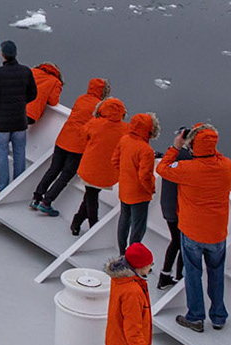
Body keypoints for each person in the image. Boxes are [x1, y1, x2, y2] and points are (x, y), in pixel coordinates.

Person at [158, 123, 231, 332]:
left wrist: (176, 147)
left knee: (193, 274)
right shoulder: (226, 165)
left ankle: (196, 317)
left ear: (192, 145)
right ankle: (218, 317)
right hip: (217, 233)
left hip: (192, 232)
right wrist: (205, 141)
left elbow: (162, 168)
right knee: (216, 274)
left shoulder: (186, 169)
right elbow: (212, 155)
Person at [34, 77, 106, 216]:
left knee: (53, 170)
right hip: (77, 146)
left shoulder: (81, 98)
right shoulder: (99, 107)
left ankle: (36, 197)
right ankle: (46, 202)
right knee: (65, 176)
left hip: (63, 139)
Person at [0, 40, 38, 192]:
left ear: (4, 56)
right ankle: (16, 188)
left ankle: (2, 187)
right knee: (20, 153)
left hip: (1, 122)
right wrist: (21, 103)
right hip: (20, 120)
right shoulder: (26, 71)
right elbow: (33, 94)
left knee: (2, 155)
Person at [71, 97, 126, 236]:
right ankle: (77, 222)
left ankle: (93, 226)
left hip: (90, 168)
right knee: (92, 194)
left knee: (91, 196)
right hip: (108, 171)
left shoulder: (95, 124)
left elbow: (82, 136)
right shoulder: (126, 129)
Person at [113, 113, 159, 254]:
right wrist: (151, 188)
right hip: (139, 194)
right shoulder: (146, 150)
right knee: (138, 227)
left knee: (124, 220)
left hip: (125, 189)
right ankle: (133, 256)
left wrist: (126, 174)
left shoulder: (124, 139)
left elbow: (115, 160)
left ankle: (122, 252)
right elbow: (144, 176)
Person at [155, 126, 187, 290]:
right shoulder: (188, 159)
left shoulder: (173, 155)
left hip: (167, 205)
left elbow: (166, 162)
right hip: (179, 209)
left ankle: (165, 275)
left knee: (176, 241)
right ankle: (178, 275)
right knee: (181, 243)